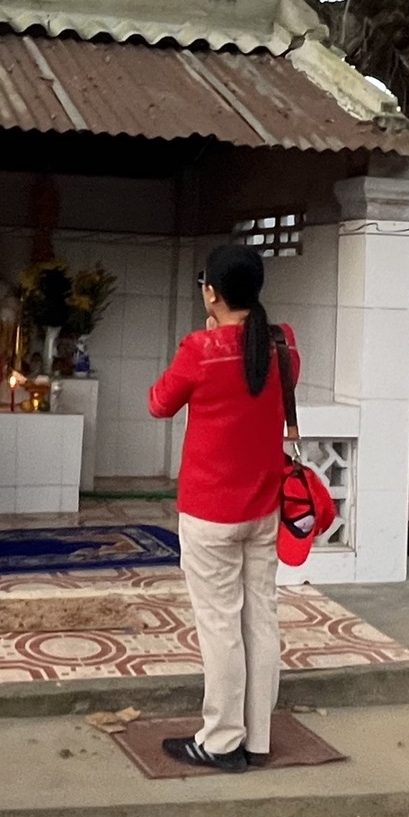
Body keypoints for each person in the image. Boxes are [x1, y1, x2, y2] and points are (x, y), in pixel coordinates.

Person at [148, 244, 298, 772]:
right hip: (263, 508)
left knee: (219, 624)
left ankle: (220, 741)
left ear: (211, 292)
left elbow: (159, 402)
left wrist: (202, 339)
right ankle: (257, 738)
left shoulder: (200, 349)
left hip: (210, 511)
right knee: (260, 619)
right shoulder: (283, 346)